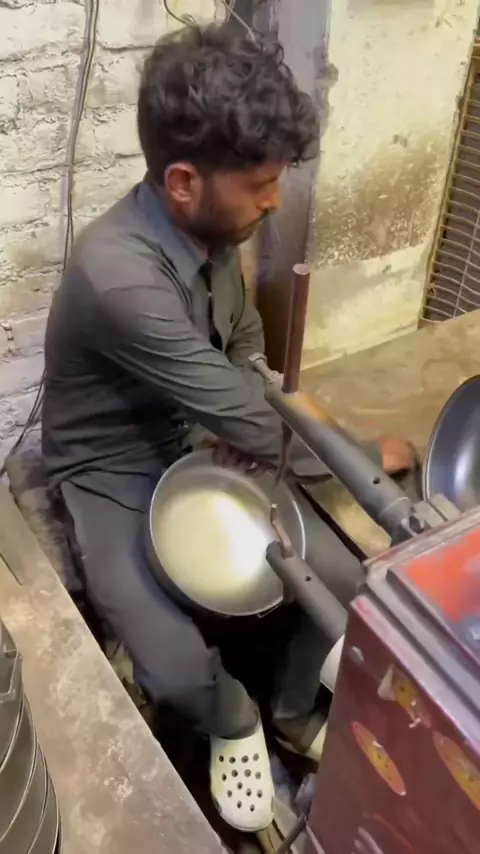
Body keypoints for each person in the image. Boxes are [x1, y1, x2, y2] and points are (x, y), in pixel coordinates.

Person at [41, 24, 414, 832]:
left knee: (345, 588)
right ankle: (235, 716)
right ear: (183, 181)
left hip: (199, 432)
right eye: (261, 185)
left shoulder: (214, 232)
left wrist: (243, 415)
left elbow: (241, 347)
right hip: (110, 464)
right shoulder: (117, 273)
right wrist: (356, 461)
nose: (274, 201)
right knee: (174, 665)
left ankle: (292, 712)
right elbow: (249, 410)